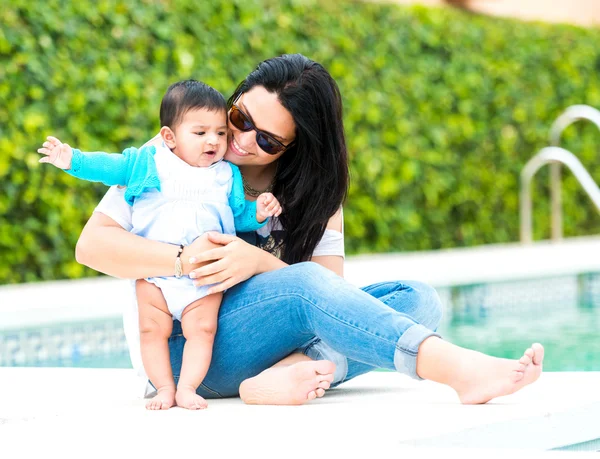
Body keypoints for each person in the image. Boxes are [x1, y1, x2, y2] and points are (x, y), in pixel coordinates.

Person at [75, 53, 544, 406]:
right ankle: (453, 368)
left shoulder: (317, 195)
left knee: (417, 299)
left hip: (268, 341)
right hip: (182, 355)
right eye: (240, 118)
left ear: (296, 148)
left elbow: (331, 295)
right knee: (303, 285)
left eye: (266, 139)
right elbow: (91, 246)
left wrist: (259, 264)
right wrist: (183, 259)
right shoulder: (176, 154)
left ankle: (286, 374)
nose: (237, 140)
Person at [37, 80, 282, 410]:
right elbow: (111, 167)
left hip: (202, 279)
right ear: (170, 137)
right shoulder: (150, 161)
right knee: (152, 330)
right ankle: (165, 388)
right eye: (200, 133)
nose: (214, 140)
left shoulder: (226, 176)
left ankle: (188, 388)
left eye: (220, 133)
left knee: (203, 329)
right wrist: (72, 160)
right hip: (156, 273)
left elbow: (239, 217)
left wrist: (259, 215)